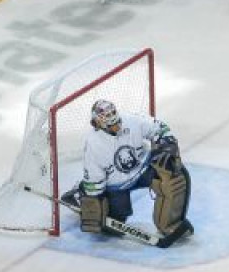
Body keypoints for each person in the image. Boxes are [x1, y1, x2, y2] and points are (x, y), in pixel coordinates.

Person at [61, 100, 193, 240]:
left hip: (142, 169)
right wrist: (92, 199)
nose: (117, 126)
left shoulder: (131, 120)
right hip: (116, 185)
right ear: (98, 123)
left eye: (117, 122)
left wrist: (167, 141)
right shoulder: (93, 144)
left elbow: (159, 127)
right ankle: (78, 195)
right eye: (112, 125)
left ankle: (171, 225)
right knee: (112, 227)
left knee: (171, 177)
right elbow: (94, 178)